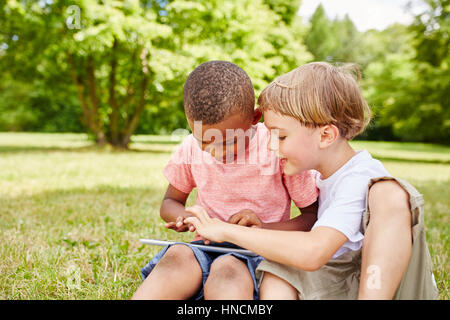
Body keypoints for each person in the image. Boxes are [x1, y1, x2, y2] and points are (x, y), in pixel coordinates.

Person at [185, 62, 439, 300]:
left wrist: (227, 230)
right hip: (343, 280)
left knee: (388, 192)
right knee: (278, 270)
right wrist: (261, 228)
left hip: (387, 290)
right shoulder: (322, 178)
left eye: (281, 137)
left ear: (326, 135)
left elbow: (313, 253)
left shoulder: (361, 177)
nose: (271, 146)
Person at [132, 61, 319, 300]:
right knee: (177, 256)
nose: (216, 153)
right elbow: (169, 203)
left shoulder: (277, 147)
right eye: (204, 141)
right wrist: (189, 219)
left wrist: (261, 227)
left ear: (255, 117)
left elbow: (311, 217)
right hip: (204, 248)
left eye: (229, 142)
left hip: (254, 253)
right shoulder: (190, 148)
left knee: (227, 270)